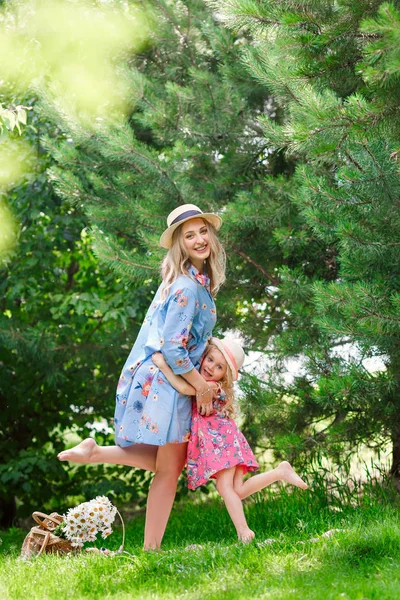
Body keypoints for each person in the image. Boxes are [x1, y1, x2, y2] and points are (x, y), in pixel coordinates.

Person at [58, 204, 226, 549]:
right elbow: (173, 348)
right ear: (179, 244)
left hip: (169, 380)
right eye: (189, 235)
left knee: (169, 465)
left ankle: (96, 453)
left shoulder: (195, 283)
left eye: (203, 231)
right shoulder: (186, 287)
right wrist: (201, 387)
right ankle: (151, 549)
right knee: (169, 468)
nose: (199, 240)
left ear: (211, 235)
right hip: (169, 383)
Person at [152, 337, 308, 543]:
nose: (211, 368)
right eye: (210, 360)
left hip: (222, 443)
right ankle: (280, 472)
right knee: (238, 491)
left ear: (224, 376)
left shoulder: (212, 387)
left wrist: (163, 365)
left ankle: (244, 532)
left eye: (219, 367)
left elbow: (183, 389)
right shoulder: (207, 383)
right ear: (204, 356)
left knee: (225, 489)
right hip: (225, 441)